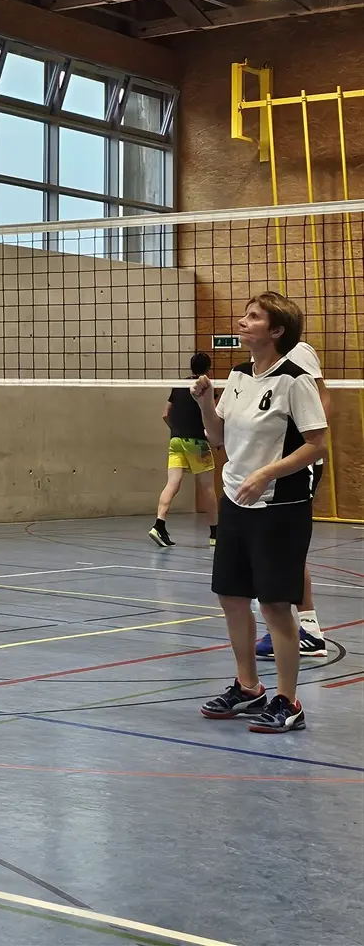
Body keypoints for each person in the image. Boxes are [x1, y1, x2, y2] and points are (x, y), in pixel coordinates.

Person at [193, 292, 327, 733]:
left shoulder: (295, 379)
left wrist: (267, 473)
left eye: (253, 317)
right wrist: (205, 402)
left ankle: (289, 701)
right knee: (232, 597)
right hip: (236, 500)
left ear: (276, 331)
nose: (243, 321)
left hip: (279, 506)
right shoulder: (237, 376)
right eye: (245, 315)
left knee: (273, 604)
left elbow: (316, 444)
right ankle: (248, 687)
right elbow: (218, 438)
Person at [255, 336, 332, 660]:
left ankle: (307, 631)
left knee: (285, 548)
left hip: (298, 467)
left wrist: (305, 444)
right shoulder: (254, 367)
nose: (243, 322)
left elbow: (322, 398)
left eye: (254, 315)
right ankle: (302, 628)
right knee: (278, 549)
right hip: (268, 466)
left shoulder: (298, 352)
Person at [149, 351, 218, 550]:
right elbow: (210, 415)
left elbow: (165, 414)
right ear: (208, 368)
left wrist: (178, 431)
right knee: (207, 487)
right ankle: (215, 534)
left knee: (172, 483)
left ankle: (159, 525)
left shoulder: (179, 385)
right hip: (196, 442)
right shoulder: (207, 386)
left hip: (176, 440)